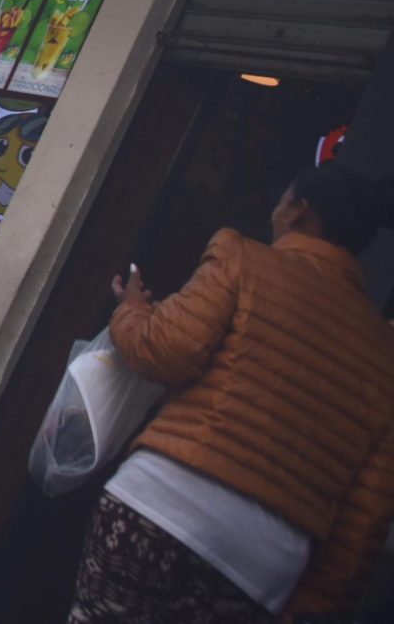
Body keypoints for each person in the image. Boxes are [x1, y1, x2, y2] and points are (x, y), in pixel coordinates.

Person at [66, 162, 394, 623]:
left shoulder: (243, 258)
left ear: (298, 212)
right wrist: (313, 605)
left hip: (160, 503)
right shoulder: (386, 351)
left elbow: (167, 350)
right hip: (262, 564)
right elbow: (368, 514)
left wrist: (133, 310)